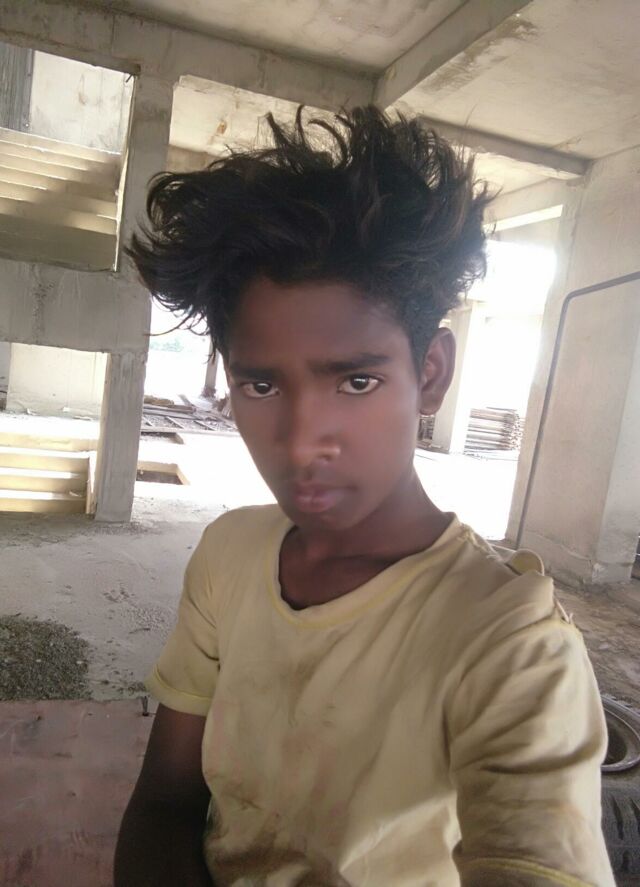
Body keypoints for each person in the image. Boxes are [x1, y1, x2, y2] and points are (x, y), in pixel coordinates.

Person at [114, 106, 614, 887]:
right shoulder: (229, 556)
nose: (301, 441)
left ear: (432, 374)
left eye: (355, 380)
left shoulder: (512, 644)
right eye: (261, 384)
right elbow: (166, 804)